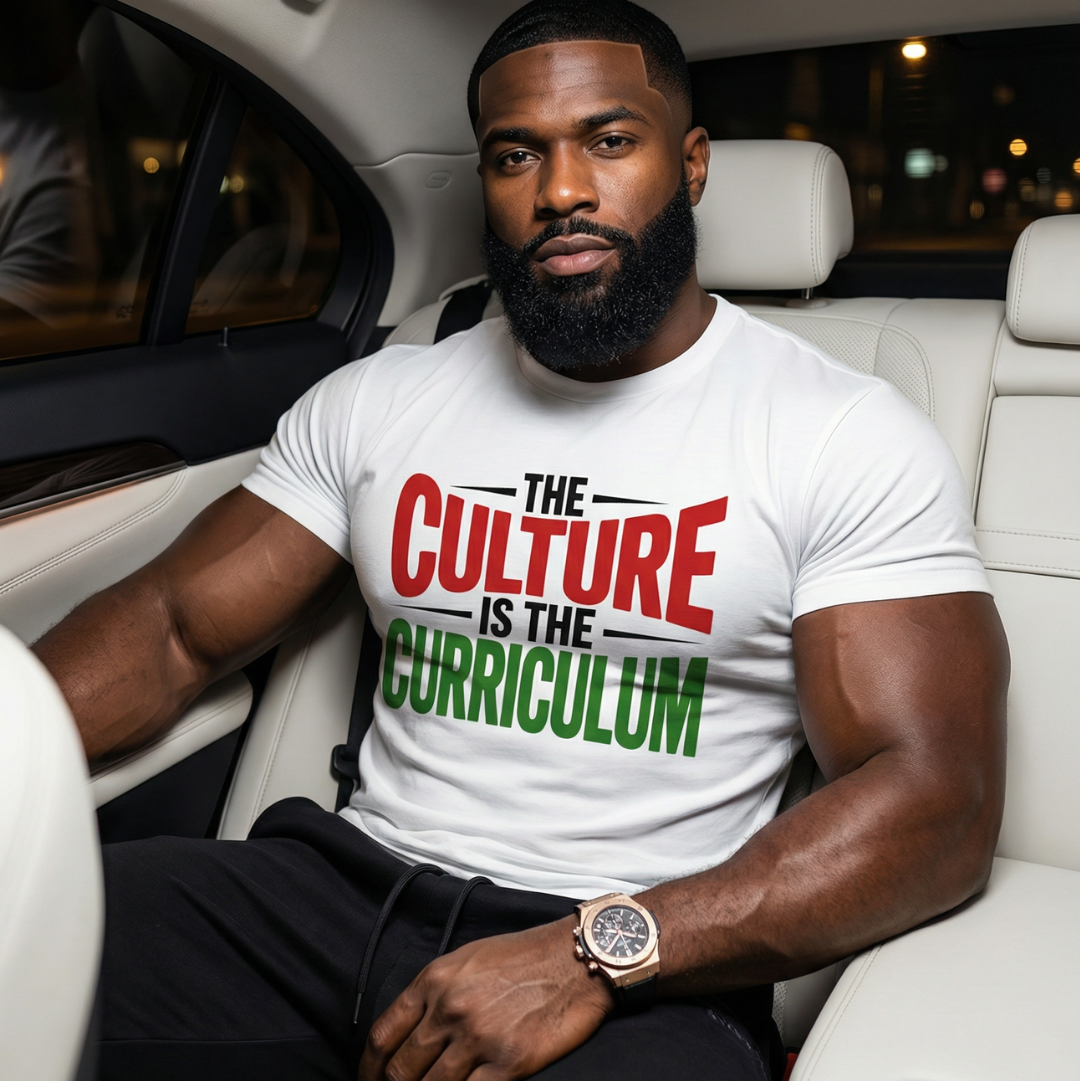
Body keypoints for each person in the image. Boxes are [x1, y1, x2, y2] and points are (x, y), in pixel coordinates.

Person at [33, 2, 1008, 1079]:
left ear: (690, 165)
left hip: (644, 958)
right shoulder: (381, 399)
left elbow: (937, 800)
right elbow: (170, 628)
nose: (561, 191)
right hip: (333, 896)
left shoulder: (838, 432)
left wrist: (592, 955)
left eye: (610, 140)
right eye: (516, 155)